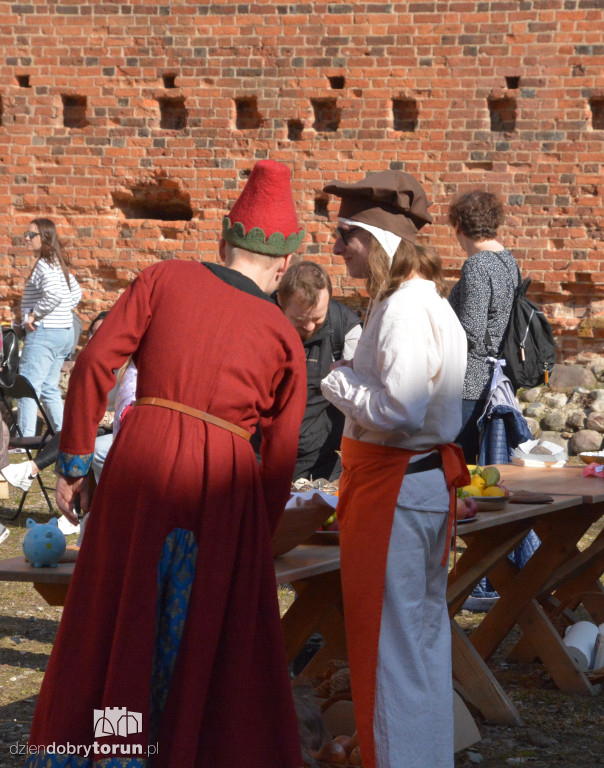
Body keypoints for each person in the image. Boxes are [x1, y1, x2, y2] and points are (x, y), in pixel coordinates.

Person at [25, 160, 307, 768]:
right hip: (224, 486)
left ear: (225, 240)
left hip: (142, 462)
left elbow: (96, 361)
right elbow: (282, 455)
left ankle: (112, 749)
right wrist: (255, 526)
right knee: (197, 628)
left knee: (119, 618)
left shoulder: (164, 279)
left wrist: (73, 460)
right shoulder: (284, 336)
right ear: (284, 264)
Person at [320, 170, 470, 768]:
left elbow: (399, 410)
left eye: (345, 237)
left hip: (398, 491)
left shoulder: (408, 308)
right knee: (421, 641)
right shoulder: (417, 303)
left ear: (377, 241)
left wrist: (338, 380)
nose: (337, 250)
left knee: (392, 645)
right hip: (413, 487)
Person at [1, 312, 117, 494]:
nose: (96, 337)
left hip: (118, 425)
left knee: (80, 431)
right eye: (93, 332)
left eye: (101, 332)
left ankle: (31, 469)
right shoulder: (94, 367)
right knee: (78, 430)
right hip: (95, 427)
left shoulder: (127, 369)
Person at [447, 191, 520, 463]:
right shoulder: (508, 260)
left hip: (471, 383)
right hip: (496, 377)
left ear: (458, 226)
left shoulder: (477, 265)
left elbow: (471, 331)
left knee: (459, 466)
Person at [276, 261, 361, 481]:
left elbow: (361, 400)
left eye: (318, 319)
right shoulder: (259, 321)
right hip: (265, 457)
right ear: (280, 302)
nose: (310, 328)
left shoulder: (346, 328)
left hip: (323, 464)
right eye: (300, 320)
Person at [18, 218, 82, 436]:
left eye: (32, 235)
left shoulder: (45, 264)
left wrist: (34, 316)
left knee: (28, 387)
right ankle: (66, 438)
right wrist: (62, 312)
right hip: (63, 332)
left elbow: (54, 294)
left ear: (44, 238)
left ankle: (24, 442)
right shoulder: (57, 263)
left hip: (44, 333)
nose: (26, 238)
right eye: (26, 234)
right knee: (49, 388)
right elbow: (75, 294)